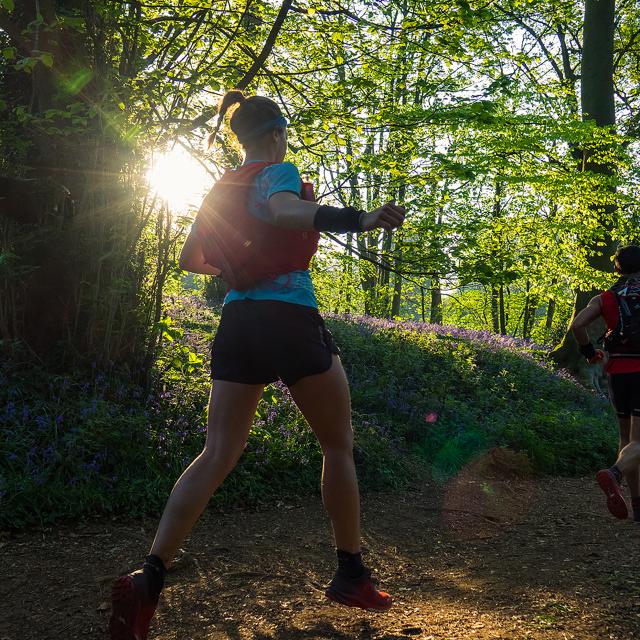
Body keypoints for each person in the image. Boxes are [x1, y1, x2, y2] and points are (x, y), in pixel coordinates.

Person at [109, 90, 406, 640]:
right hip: (289, 318)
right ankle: (350, 573)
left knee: (218, 451)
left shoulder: (218, 189)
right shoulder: (278, 169)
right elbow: (282, 210)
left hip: (238, 323)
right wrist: (358, 218)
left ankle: (150, 576)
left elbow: (189, 259)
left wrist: (236, 264)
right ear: (276, 133)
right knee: (337, 445)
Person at [570, 244, 640, 522]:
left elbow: (577, 326)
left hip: (618, 372)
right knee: (639, 441)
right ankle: (614, 474)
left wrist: (589, 353)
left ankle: (637, 508)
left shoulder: (606, 297)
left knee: (627, 439)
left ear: (618, 268)